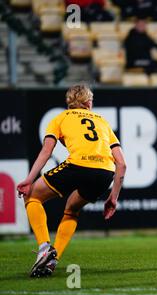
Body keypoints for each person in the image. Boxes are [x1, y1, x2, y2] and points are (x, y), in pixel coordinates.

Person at [16, 84, 126, 277]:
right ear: (88, 102)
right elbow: (122, 164)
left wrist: (28, 179)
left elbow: (46, 152)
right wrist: (113, 198)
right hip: (104, 173)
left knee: (32, 195)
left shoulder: (60, 118)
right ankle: (52, 260)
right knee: (72, 209)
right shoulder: (102, 121)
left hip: (78, 165)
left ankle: (44, 247)